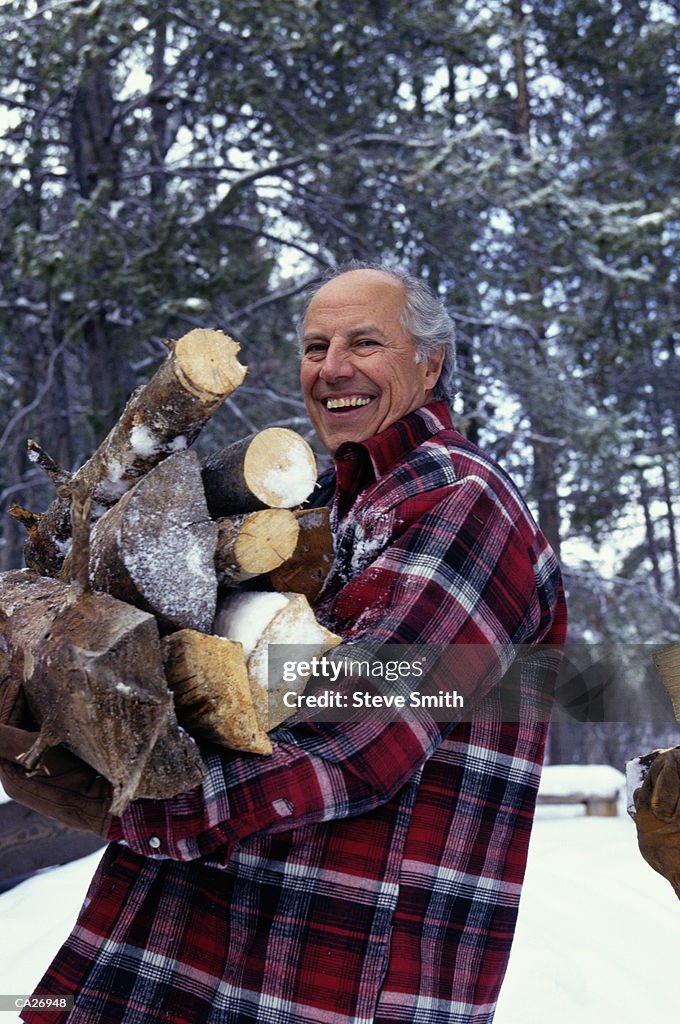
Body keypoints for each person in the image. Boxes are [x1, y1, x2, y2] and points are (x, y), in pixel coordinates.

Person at [0, 263, 567, 1024]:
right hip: (208, 921)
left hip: (334, 961)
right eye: (315, 345)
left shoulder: (461, 501)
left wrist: (133, 802)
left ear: (431, 363)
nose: (332, 368)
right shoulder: (310, 505)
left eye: (365, 342)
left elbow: (362, 738)